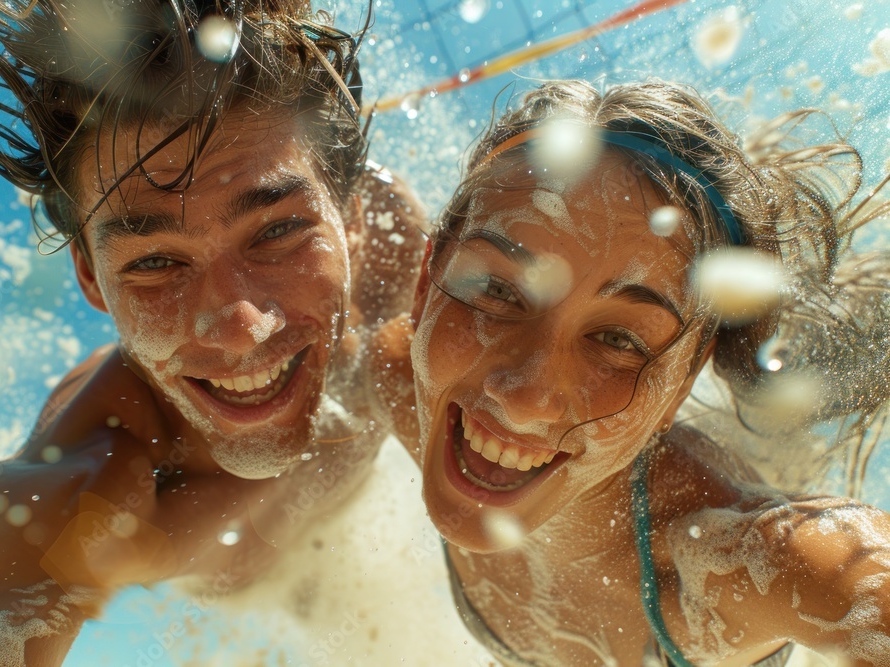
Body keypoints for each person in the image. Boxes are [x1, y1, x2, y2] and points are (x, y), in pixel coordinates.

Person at [0, 0, 423, 664]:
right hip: (246, 603)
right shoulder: (99, 472)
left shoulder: (398, 265)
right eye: (154, 263)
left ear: (352, 221)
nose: (239, 328)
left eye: (278, 231)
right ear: (89, 277)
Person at [372, 80, 890, 665]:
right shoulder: (398, 376)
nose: (523, 399)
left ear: (683, 382)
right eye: (495, 290)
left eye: (618, 340)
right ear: (425, 280)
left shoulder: (727, 569)